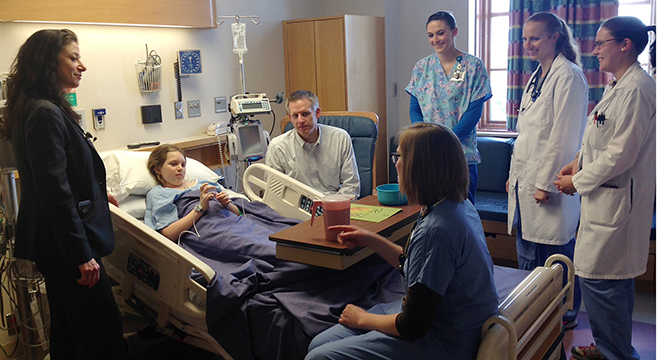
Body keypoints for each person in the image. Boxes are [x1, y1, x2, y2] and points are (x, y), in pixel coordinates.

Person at [305, 123, 498, 360]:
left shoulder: (437, 231)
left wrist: (362, 319)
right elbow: (418, 266)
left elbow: (412, 326)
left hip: (446, 340)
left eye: (400, 156)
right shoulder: (455, 206)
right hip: (450, 321)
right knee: (319, 342)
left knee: (319, 357)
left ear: (422, 168)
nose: (395, 163)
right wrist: (370, 239)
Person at [0, 30, 125, 359]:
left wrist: (99, 198)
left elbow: (64, 178)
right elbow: (53, 191)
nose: (81, 65)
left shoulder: (41, 109)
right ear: (45, 62)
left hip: (57, 245)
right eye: (73, 57)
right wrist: (80, 254)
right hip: (66, 246)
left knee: (70, 329)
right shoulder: (43, 113)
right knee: (104, 333)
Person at [554, 17, 656, 360]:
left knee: (603, 284)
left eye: (601, 43)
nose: (594, 50)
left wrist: (576, 181)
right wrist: (579, 160)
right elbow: (604, 139)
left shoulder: (638, 89)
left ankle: (616, 354)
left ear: (625, 44)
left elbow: (621, 154)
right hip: (606, 199)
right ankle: (612, 348)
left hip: (616, 206)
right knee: (613, 284)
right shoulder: (619, 85)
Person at [506, 12, 587, 329]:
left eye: (535, 38)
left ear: (555, 36)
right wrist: (514, 177)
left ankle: (566, 313)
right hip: (525, 181)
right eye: (525, 39)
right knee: (531, 252)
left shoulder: (568, 76)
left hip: (549, 184)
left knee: (558, 252)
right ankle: (536, 310)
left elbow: (563, 138)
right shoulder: (537, 75)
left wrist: (545, 184)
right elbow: (527, 134)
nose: (528, 44)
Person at [405, 11, 492, 204]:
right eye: (431, 35)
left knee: (463, 216)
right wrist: (425, 139)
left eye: (441, 33)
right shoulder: (422, 67)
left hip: (461, 156)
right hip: (429, 156)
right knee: (431, 214)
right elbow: (415, 109)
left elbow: (474, 111)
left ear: (454, 32)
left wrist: (445, 142)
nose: (436, 39)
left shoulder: (473, 66)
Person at [265, 90, 360, 198]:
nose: (300, 120)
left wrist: (331, 207)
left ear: (317, 113)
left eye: (305, 114)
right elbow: (274, 192)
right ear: (290, 118)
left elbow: (351, 186)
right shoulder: (277, 147)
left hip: (334, 204)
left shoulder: (340, 138)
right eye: (295, 116)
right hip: (296, 208)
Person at [145, 144, 241, 241]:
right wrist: (200, 208)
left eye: (183, 165)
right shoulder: (160, 194)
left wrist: (227, 204)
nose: (180, 168)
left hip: (237, 225)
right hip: (213, 234)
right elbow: (168, 234)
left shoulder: (202, 184)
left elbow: (239, 214)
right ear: (157, 169)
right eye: (173, 164)